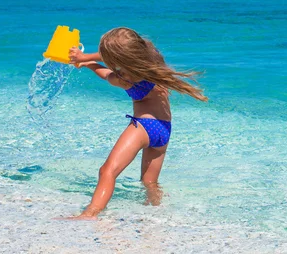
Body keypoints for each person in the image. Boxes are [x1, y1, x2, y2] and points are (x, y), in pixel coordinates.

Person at [63, 27, 207, 220]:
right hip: (164, 130)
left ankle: (90, 213)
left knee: (108, 171)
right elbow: (116, 55)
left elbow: (105, 73)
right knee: (150, 182)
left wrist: (88, 63)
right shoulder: (152, 56)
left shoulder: (125, 79)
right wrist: (84, 57)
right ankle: (158, 214)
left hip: (144, 127)